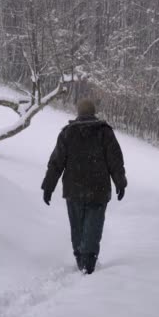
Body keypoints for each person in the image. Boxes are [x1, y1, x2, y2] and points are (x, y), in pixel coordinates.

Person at [41, 99, 127, 274]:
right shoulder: (105, 133)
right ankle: (89, 259)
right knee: (94, 226)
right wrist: (120, 183)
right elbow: (115, 161)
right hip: (99, 189)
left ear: (78, 113)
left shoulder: (67, 133)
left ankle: (80, 257)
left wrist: (48, 187)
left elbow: (56, 162)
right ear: (94, 112)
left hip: (74, 189)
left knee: (77, 226)